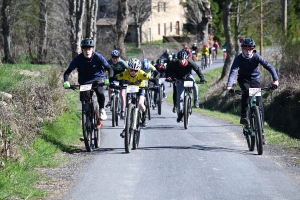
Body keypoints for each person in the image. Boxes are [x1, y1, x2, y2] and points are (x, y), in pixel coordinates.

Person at [226, 38, 279, 134]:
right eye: (245, 49)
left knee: (259, 103)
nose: (248, 51)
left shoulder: (256, 57)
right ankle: (243, 117)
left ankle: (261, 131)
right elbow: (233, 71)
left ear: (253, 49)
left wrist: (275, 80)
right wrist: (229, 86)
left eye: (250, 49)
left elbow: (269, 66)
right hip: (243, 80)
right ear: (242, 49)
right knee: (246, 92)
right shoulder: (238, 58)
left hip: (255, 80)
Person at [63, 38, 113, 121]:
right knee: (84, 99)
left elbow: (109, 69)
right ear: (82, 49)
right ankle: (87, 117)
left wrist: (109, 79)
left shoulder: (98, 57)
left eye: (89, 49)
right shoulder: (78, 59)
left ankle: (101, 109)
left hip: (98, 79)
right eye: (85, 49)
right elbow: (67, 72)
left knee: (100, 93)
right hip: (84, 81)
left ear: (92, 49)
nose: (87, 51)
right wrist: (66, 81)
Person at [166, 50, 206, 123]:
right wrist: (170, 77)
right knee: (180, 97)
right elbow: (169, 71)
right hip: (179, 80)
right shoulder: (174, 64)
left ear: (186, 59)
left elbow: (198, 70)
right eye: (180, 60)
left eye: (183, 59)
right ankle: (180, 114)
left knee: (195, 86)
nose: (182, 61)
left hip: (188, 78)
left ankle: (196, 101)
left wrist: (202, 78)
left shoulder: (190, 63)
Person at [116, 58, 151, 130]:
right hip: (130, 89)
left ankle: (144, 117)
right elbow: (117, 77)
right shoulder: (125, 73)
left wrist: (154, 81)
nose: (133, 72)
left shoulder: (141, 73)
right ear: (129, 69)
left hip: (140, 88)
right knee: (128, 104)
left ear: (138, 70)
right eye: (131, 70)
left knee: (140, 104)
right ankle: (128, 121)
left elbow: (150, 77)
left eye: (135, 71)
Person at [105, 50, 128, 119]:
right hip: (113, 77)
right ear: (111, 57)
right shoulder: (108, 62)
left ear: (119, 57)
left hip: (122, 79)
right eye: (113, 57)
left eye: (116, 58)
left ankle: (123, 111)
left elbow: (129, 70)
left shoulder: (122, 62)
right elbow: (103, 70)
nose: (114, 59)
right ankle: (110, 101)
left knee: (122, 94)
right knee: (110, 87)